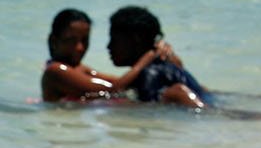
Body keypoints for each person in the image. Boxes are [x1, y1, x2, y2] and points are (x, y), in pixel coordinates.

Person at [41, 9, 182, 102]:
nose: (80, 48)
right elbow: (112, 90)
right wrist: (148, 57)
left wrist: (165, 56)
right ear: (53, 40)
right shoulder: (55, 71)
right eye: (71, 40)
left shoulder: (79, 69)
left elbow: (122, 83)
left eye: (85, 40)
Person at [106, 6, 209, 108]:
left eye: (114, 40)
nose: (109, 46)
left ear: (137, 39)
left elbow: (149, 108)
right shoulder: (165, 66)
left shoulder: (150, 73)